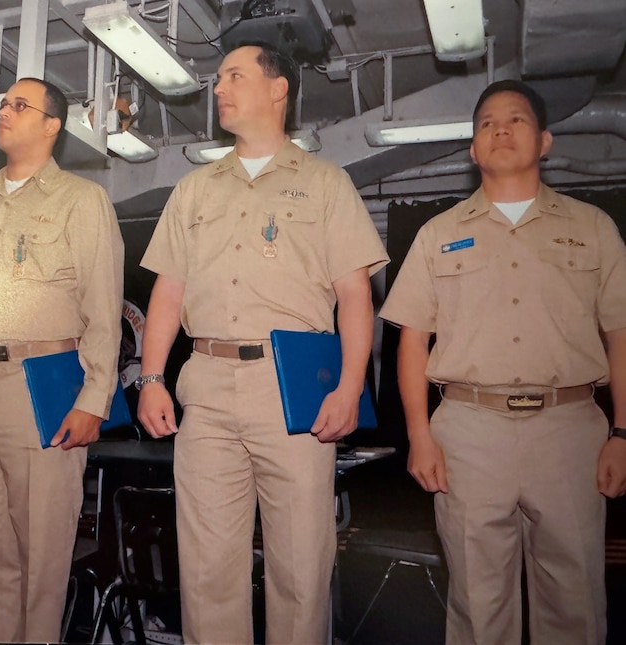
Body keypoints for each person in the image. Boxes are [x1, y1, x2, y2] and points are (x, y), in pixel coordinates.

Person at [137, 44, 389, 644]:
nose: (218, 87)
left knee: (301, 565)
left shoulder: (326, 183)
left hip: (292, 392)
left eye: (234, 76)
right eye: (218, 78)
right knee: (206, 568)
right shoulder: (193, 190)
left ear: (279, 90)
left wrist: (352, 387)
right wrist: (150, 380)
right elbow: (168, 295)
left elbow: (356, 296)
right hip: (206, 386)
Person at [379, 79, 626, 645]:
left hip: (570, 432)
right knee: (476, 602)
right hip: (468, 434)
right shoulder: (437, 236)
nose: (500, 129)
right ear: (472, 149)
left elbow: (620, 336)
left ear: (545, 142)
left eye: (515, 119)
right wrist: (419, 434)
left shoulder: (593, 230)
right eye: (487, 122)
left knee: (575, 602)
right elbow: (411, 343)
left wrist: (623, 433)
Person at [0, 77, 124, 642]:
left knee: (41, 546)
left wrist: (95, 397)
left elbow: (102, 308)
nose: (6, 111)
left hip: (41, 385)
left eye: (21, 105)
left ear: (51, 126)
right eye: (3, 104)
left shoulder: (81, 200)